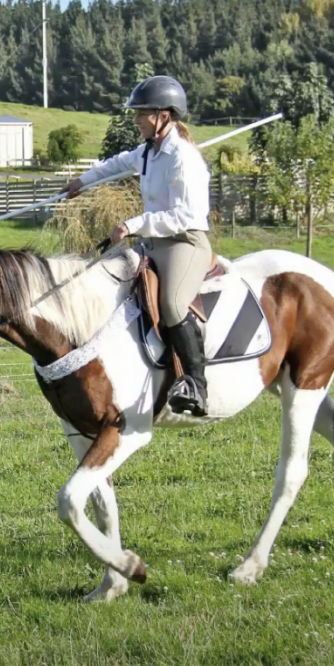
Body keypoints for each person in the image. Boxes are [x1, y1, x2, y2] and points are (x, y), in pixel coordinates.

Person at [64, 75, 212, 416]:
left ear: (163, 115)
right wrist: (80, 182)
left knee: (173, 305)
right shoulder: (149, 152)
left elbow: (184, 215)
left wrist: (132, 224)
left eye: (141, 113)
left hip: (183, 242)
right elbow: (116, 163)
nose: (135, 120)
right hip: (152, 241)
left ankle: (195, 384)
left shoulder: (184, 158)